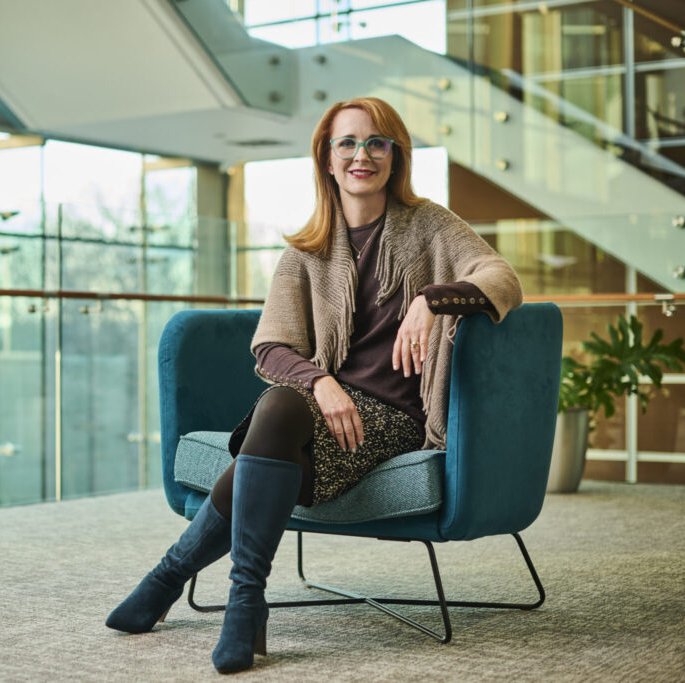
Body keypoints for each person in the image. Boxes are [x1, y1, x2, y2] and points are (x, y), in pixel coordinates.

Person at [106, 96, 523, 673]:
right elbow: (271, 347)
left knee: (267, 438)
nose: (362, 155)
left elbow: (501, 277)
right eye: (347, 143)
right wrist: (323, 382)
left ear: (395, 157)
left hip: (396, 419)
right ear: (327, 159)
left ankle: (179, 578)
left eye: (377, 143)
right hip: (322, 408)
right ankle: (244, 601)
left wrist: (432, 298)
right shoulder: (305, 251)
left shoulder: (430, 225)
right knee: (279, 410)